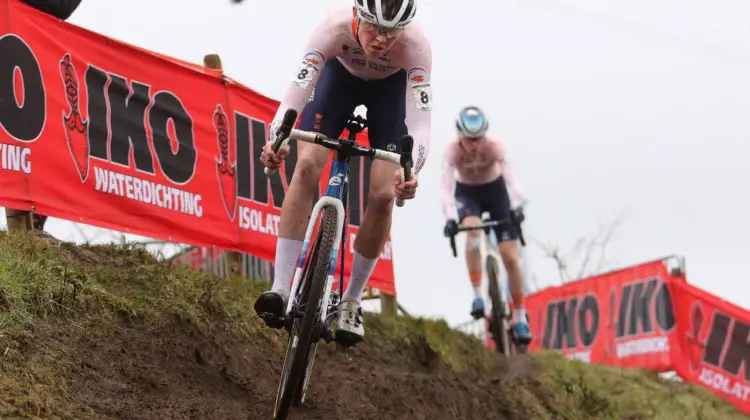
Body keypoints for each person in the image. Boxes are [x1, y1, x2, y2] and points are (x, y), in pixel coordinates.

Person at [254, 0, 432, 346]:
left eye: (392, 32)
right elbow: (297, 89)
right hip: (340, 80)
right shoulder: (332, 27)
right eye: (374, 28)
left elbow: (421, 122)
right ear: (356, 15)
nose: (382, 40)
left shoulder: (417, 46)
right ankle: (279, 287)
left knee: (383, 194)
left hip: (391, 93)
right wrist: (277, 141)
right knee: (306, 166)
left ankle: (352, 300)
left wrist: (411, 171)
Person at [441, 106, 531, 344]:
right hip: (469, 195)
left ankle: (520, 316)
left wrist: (518, 205)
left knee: (510, 257)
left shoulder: (495, 147)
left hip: (496, 192)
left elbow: (512, 179)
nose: (474, 145)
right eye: (469, 140)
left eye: (479, 139)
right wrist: (450, 218)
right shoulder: (451, 151)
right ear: (460, 135)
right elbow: (446, 189)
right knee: (472, 233)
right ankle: (478, 295)